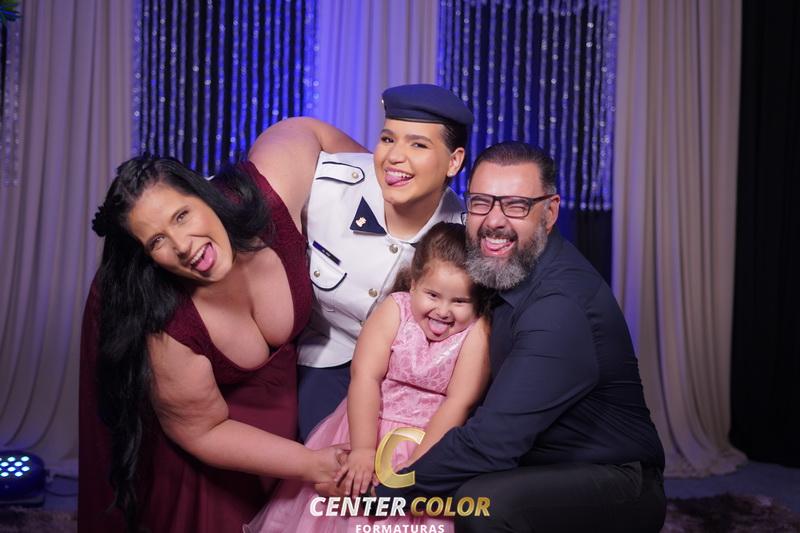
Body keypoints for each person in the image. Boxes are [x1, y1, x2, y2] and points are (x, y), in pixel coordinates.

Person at [78, 119, 366, 533]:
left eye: (182, 215)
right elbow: (203, 430)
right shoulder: (169, 326)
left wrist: (395, 210)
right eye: (157, 241)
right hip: (213, 449)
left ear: (204, 192)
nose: (182, 245)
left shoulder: (271, 197)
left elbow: (308, 132)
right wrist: (312, 464)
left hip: (289, 412)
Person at [375, 142, 667, 532]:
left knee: (484, 505)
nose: (494, 221)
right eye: (481, 202)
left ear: (550, 212)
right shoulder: (497, 266)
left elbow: (491, 443)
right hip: (531, 458)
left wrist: (384, 494)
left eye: (516, 205)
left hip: (611, 478)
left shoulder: (559, 308)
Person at [245, 223, 492, 533]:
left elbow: (458, 402)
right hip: (368, 425)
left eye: (459, 301)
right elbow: (365, 377)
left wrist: (419, 467)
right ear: (414, 284)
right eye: (432, 295)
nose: (443, 311)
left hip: (431, 440)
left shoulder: (477, 332)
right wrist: (363, 449)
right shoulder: (395, 310)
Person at [294, 84, 474, 441]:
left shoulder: (464, 240)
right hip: (323, 359)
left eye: (418, 145)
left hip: (409, 383)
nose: (394, 157)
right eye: (388, 139)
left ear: (454, 161)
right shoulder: (327, 187)